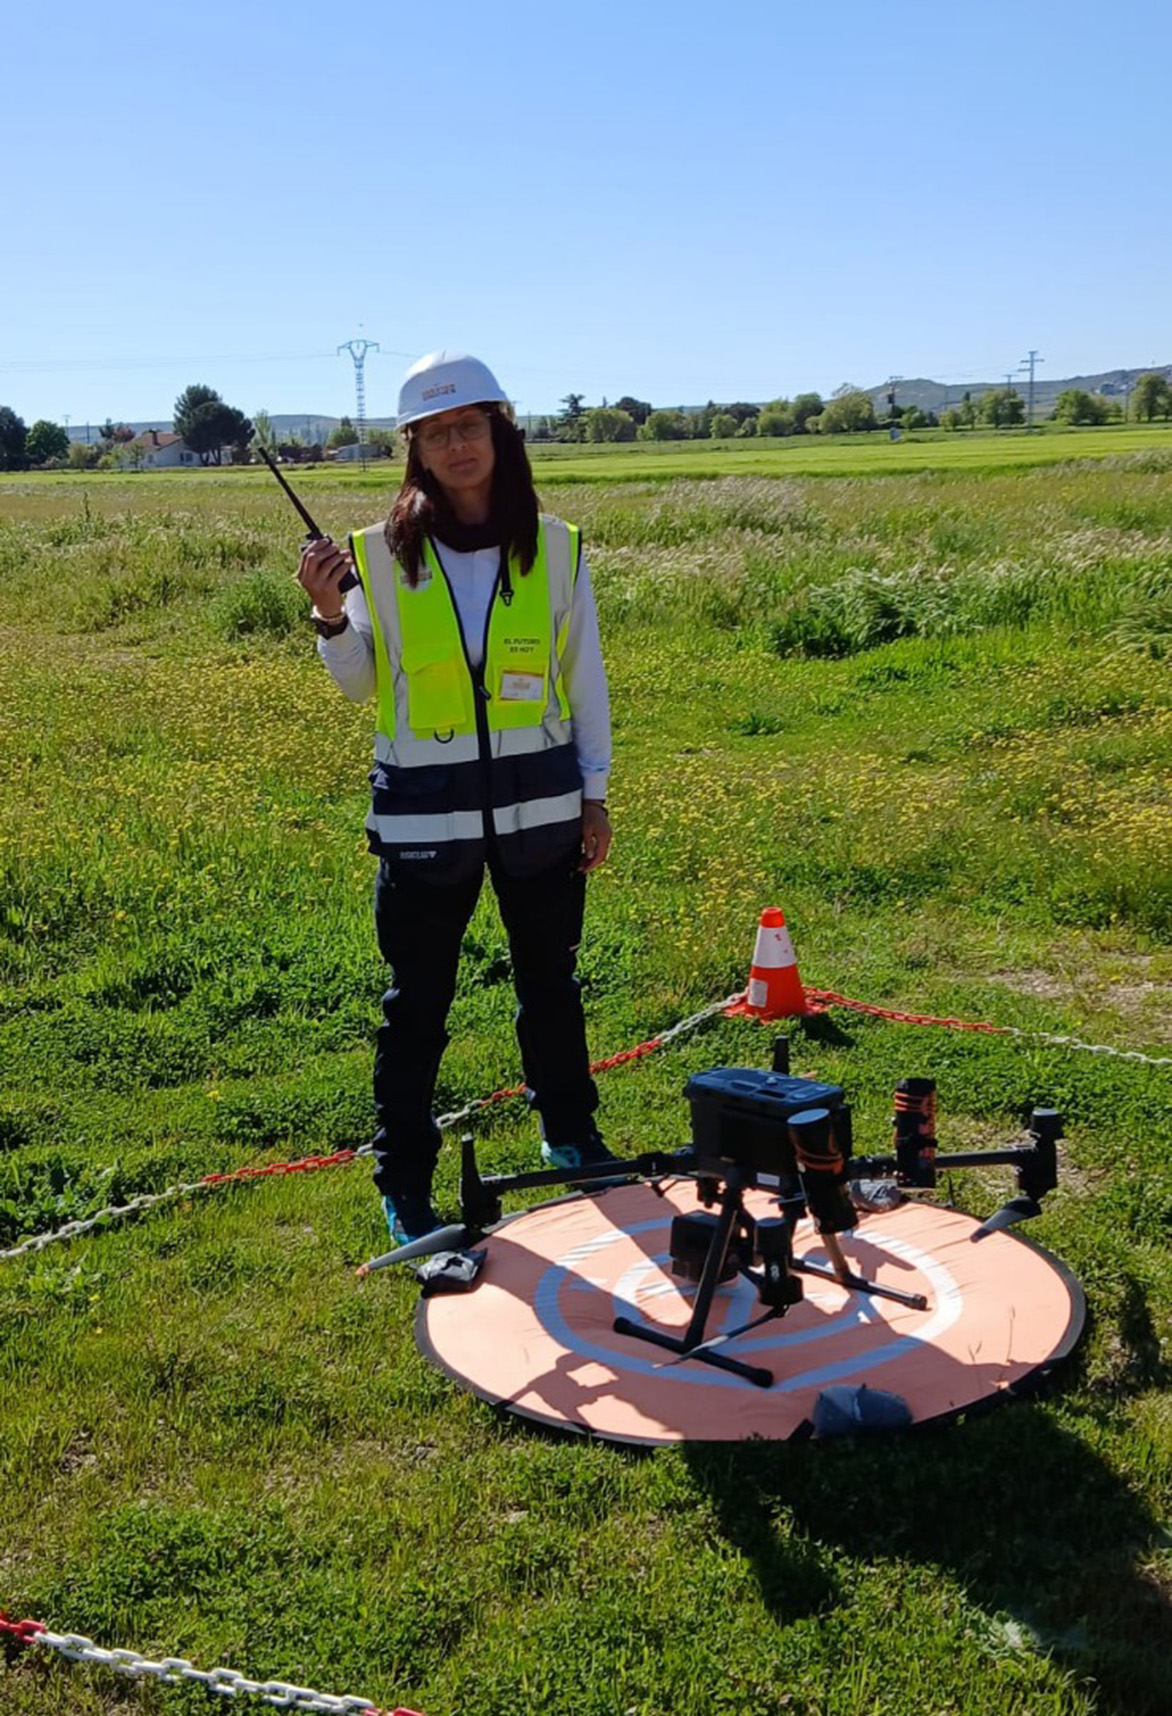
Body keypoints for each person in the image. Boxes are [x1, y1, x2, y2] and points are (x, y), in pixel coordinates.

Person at [297, 351, 619, 1243]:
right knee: (417, 1008)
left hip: (541, 813)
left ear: (498, 434)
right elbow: (362, 684)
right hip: (424, 825)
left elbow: (582, 679)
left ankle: (571, 1133)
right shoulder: (376, 556)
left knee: (551, 985)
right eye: (437, 433)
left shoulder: (556, 548)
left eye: (470, 426)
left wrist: (595, 797)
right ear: (416, 450)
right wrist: (331, 619)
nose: (457, 444)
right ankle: (405, 1180)